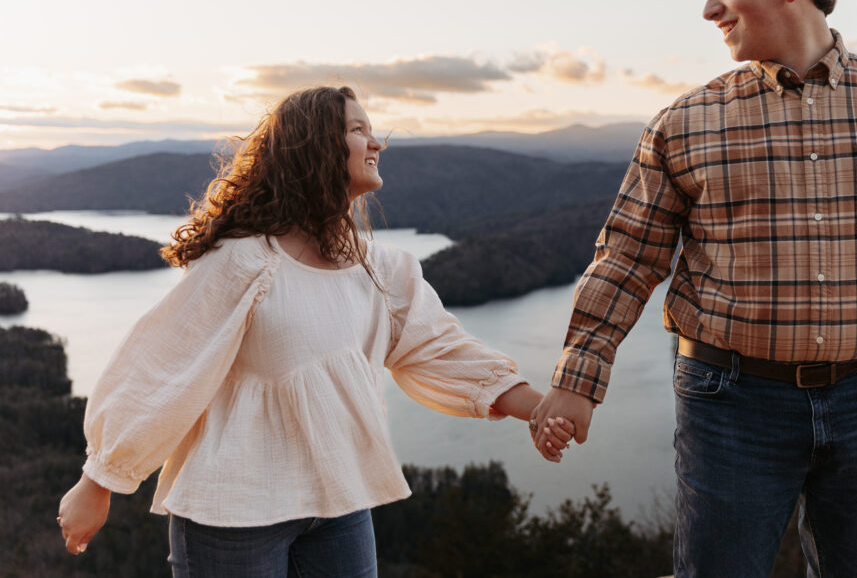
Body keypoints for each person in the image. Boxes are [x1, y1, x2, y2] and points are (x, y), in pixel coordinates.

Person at [530, 0, 857, 577]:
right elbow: (628, 254)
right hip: (732, 404)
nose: (710, 8)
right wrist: (579, 377)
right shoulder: (684, 122)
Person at [57, 85, 571, 577]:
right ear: (315, 147)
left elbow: (440, 349)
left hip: (340, 499)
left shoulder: (382, 271)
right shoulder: (246, 262)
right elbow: (163, 363)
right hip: (234, 511)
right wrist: (98, 480)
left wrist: (539, 408)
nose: (376, 143)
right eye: (357, 130)